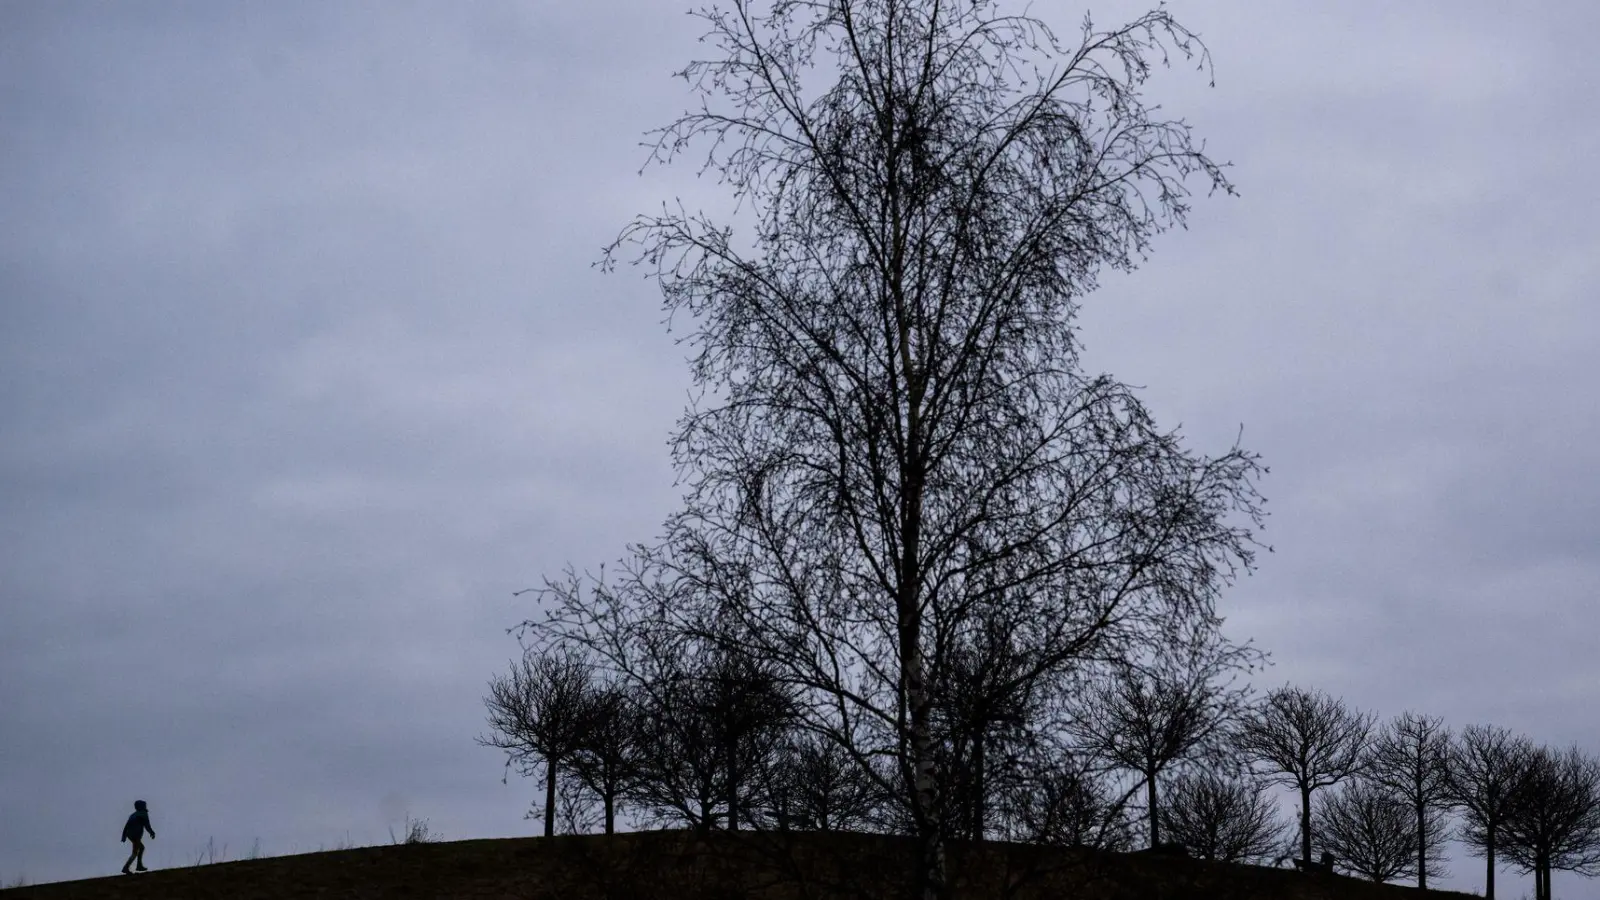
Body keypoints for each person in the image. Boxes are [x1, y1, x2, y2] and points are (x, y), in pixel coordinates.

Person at [120, 800, 155, 874]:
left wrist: (124, 836)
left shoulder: (133, 815)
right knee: (135, 852)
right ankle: (126, 867)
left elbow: (126, 826)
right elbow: (147, 825)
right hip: (135, 834)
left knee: (141, 848)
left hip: (130, 834)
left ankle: (139, 865)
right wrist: (151, 832)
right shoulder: (143, 814)